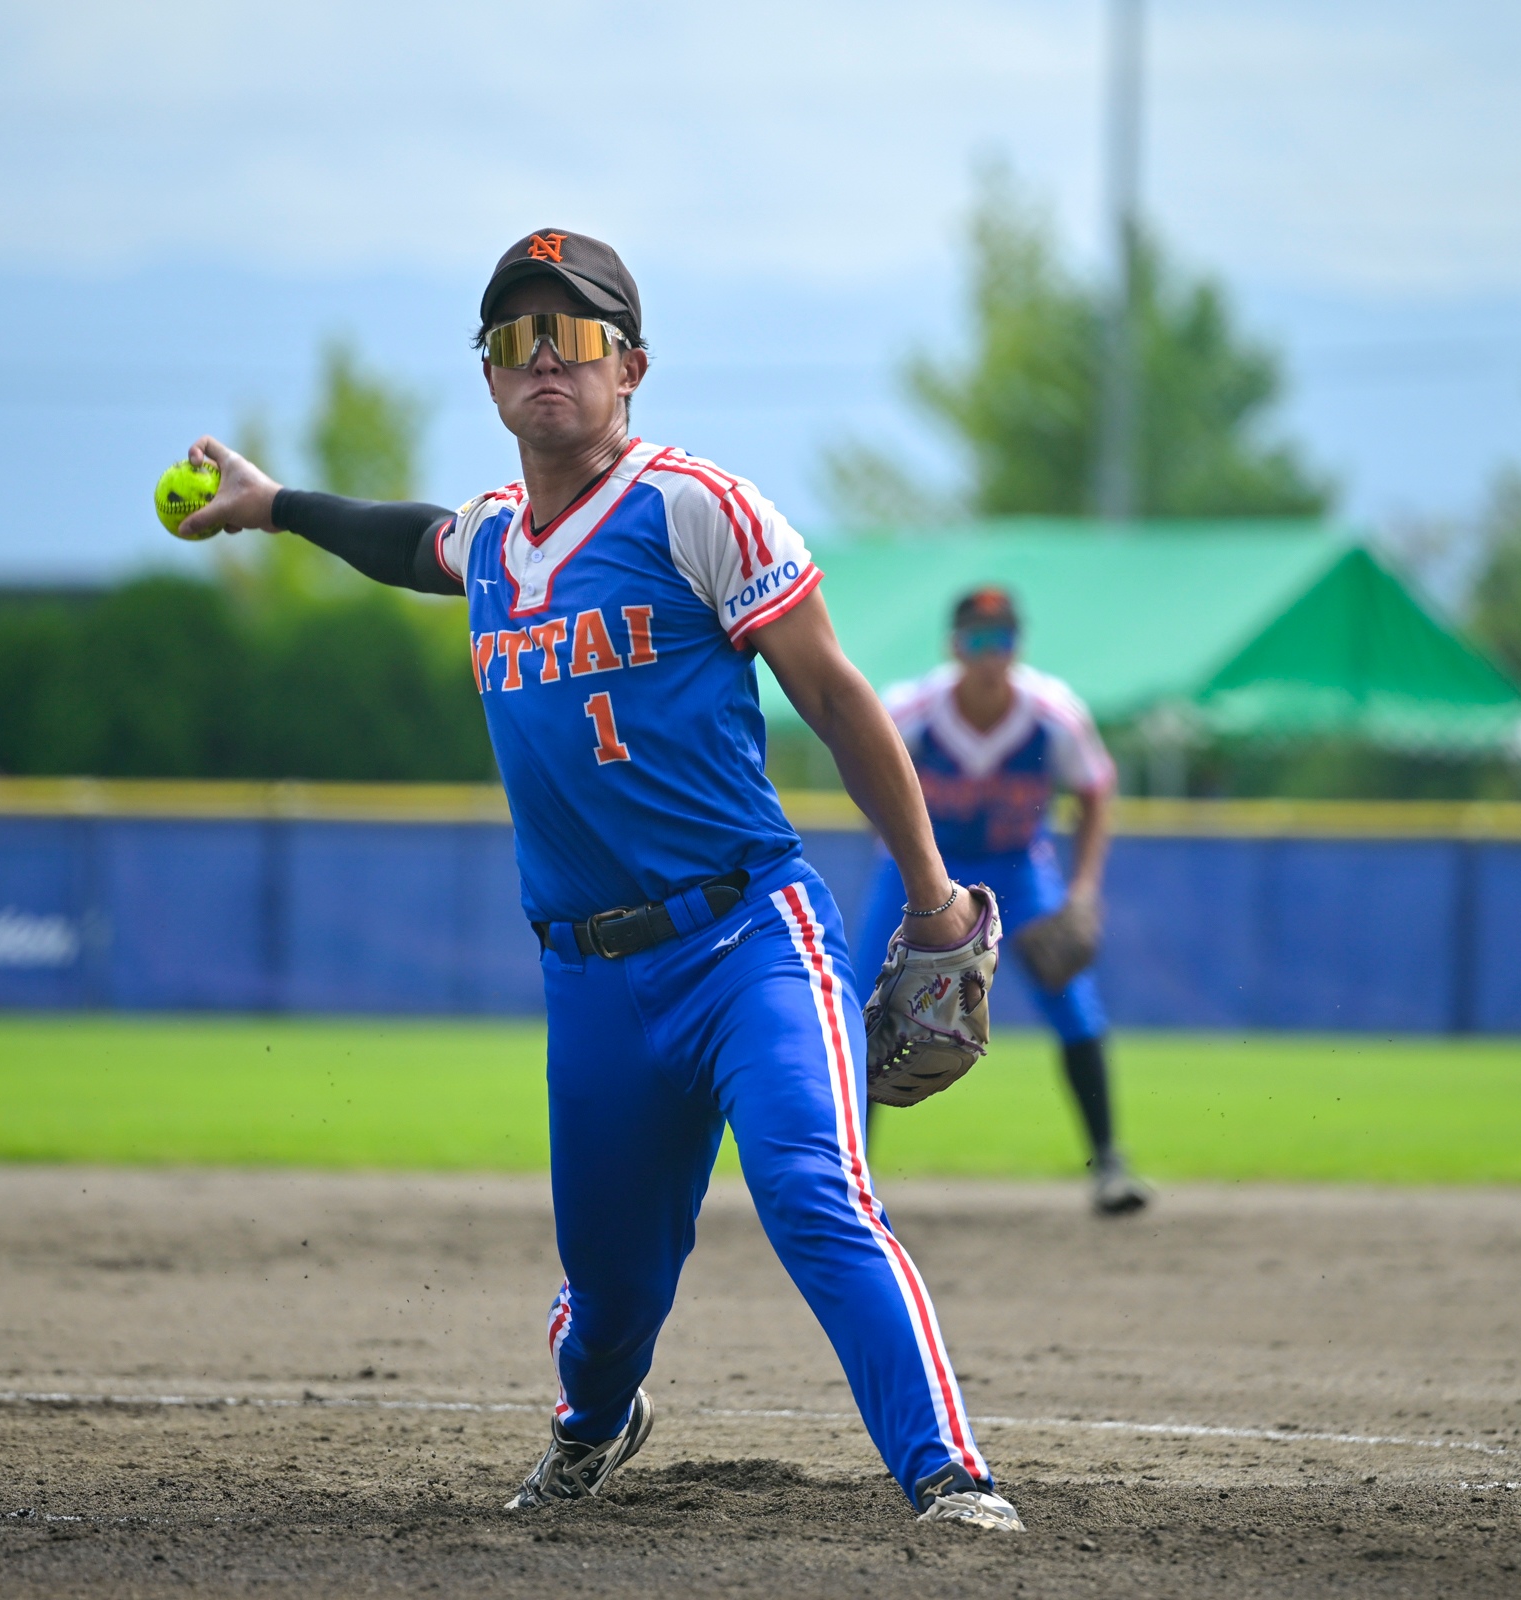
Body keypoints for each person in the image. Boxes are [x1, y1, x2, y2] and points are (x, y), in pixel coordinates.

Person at [171, 229, 1019, 1532]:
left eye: (572, 336)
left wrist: (931, 895)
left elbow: (839, 701)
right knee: (612, 1299)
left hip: (748, 936)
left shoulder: (695, 509)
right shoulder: (495, 542)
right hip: (592, 980)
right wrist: (274, 503)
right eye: (516, 339)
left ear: (631, 367)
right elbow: (408, 541)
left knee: (812, 1189)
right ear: (490, 375)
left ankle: (948, 1475)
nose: (543, 360)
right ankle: (596, 1422)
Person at [867, 587, 1150, 1216]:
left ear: (1018, 647)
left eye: (1003, 639)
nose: (991, 653)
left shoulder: (1052, 713)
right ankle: (849, 1173)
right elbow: (864, 769)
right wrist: (901, 850)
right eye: (978, 638)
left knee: (1073, 1003)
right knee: (868, 1001)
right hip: (923, 866)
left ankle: (1109, 1163)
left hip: (1019, 868)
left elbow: (1095, 790)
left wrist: (1082, 891)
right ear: (954, 646)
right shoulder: (913, 708)